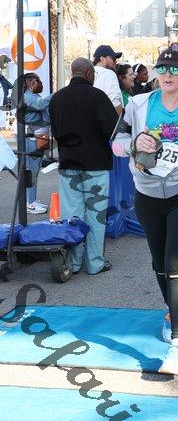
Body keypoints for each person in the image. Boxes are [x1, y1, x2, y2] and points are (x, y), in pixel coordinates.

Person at [112, 42, 178, 375]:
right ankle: (171, 311)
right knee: (159, 264)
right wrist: (133, 144)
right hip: (147, 195)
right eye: (162, 68)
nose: (168, 74)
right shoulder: (139, 104)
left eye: (175, 69)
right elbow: (116, 143)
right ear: (156, 73)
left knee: (175, 264)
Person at [49, 58, 118, 274]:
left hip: (68, 164)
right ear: (88, 74)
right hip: (96, 164)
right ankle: (95, 263)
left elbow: (55, 131)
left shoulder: (57, 98)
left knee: (72, 215)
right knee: (96, 214)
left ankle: (74, 262)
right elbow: (111, 130)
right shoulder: (98, 96)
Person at [12, 73, 52, 214]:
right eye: (37, 80)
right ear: (30, 84)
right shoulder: (28, 97)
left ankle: (32, 199)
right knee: (31, 170)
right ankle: (31, 203)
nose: (41, 83)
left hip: (35, 136)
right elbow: (40, 104)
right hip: (30, 137)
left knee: (33, 169)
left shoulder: (31, 96)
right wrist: (55, 95)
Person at [93, 44, 123, 115]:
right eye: (113, 59)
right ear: (102, 59)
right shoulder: (109, 74)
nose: (115, 62)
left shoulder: (88, 73)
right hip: (106, 119)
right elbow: (115, 102)